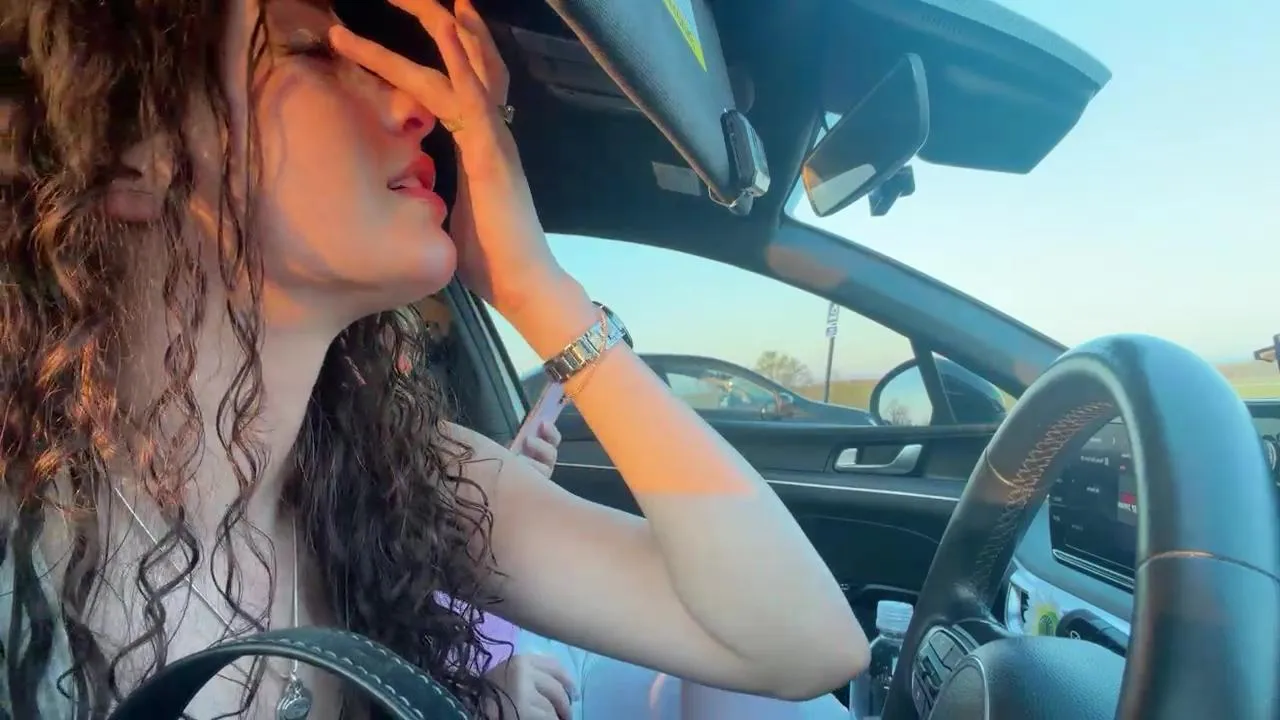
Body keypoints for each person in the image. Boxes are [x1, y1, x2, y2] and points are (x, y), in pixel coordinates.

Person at [0, 1, 869, 719]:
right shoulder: (22, 557)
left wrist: (538, 290)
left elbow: (802, 644)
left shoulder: (405, 475)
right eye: (315, 52)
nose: (417, 109)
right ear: (134, 157)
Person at [494, 419, 855, 720]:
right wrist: (475, 699)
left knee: (736, 620)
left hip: (560, 642)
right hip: (530, 682)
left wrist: (506, 496)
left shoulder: (474, 493)